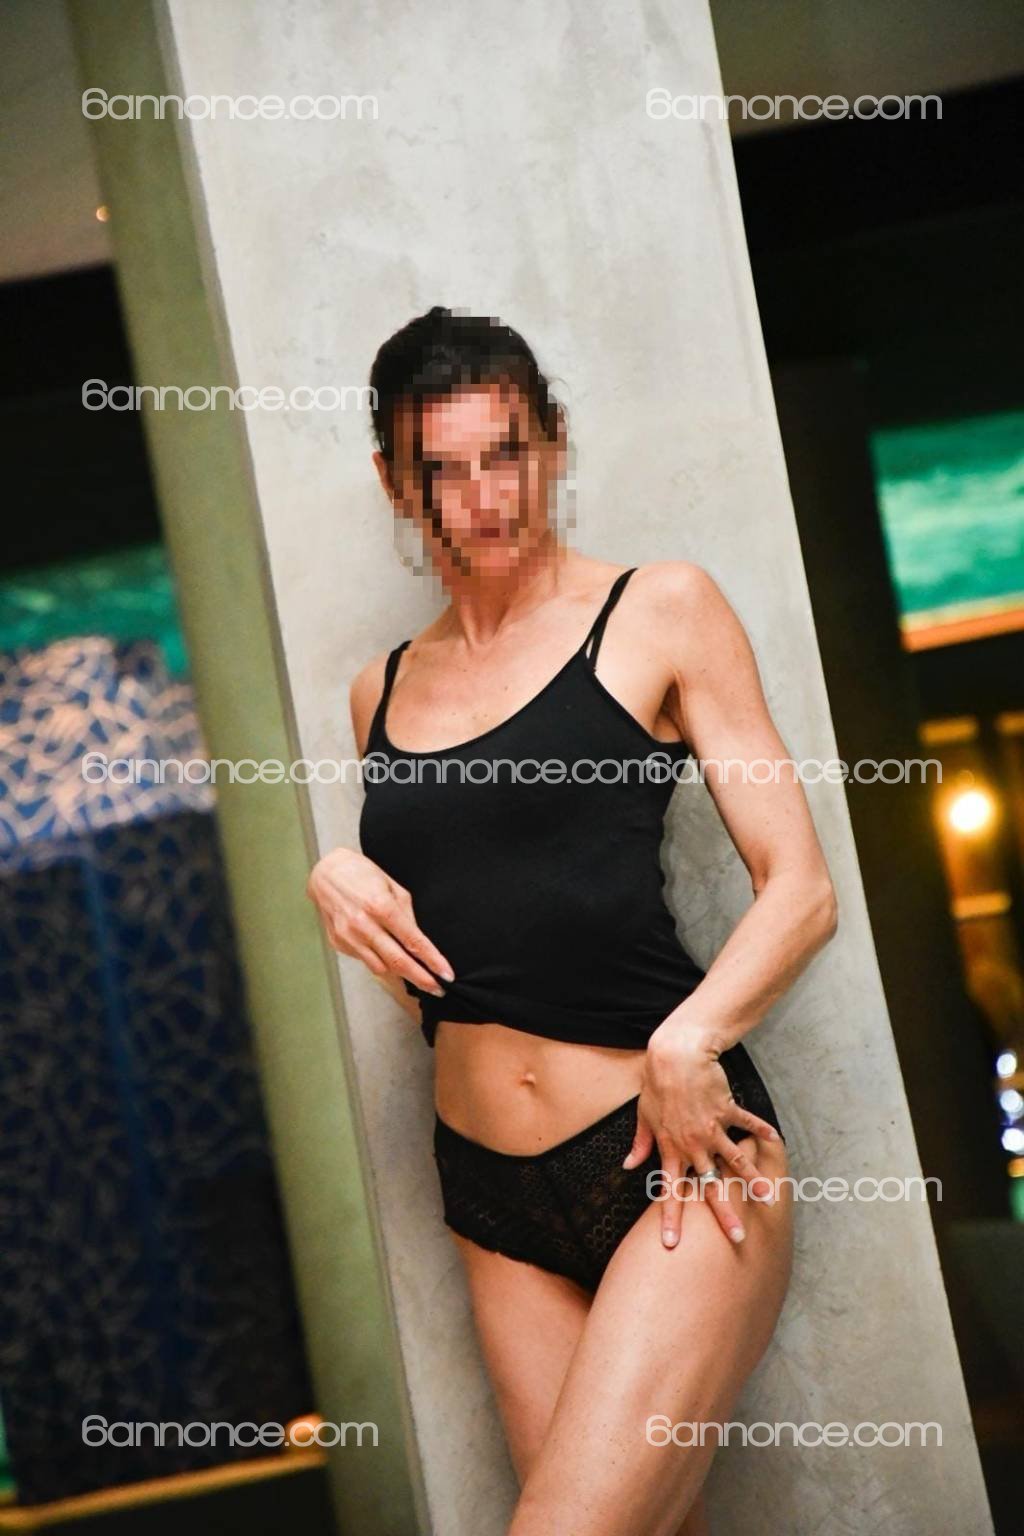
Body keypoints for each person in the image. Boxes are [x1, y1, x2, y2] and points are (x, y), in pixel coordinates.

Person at [307, 307, 837, 1535]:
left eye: (506, 454)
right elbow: (448, 982)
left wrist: (689, 1038)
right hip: (489, 1196)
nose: (485, 497)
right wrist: (338, 887)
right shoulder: (380, 690)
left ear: (552, 439)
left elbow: (801, 888)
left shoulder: (658, 609)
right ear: (394, 481)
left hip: (672, 1155)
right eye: (443, 470)